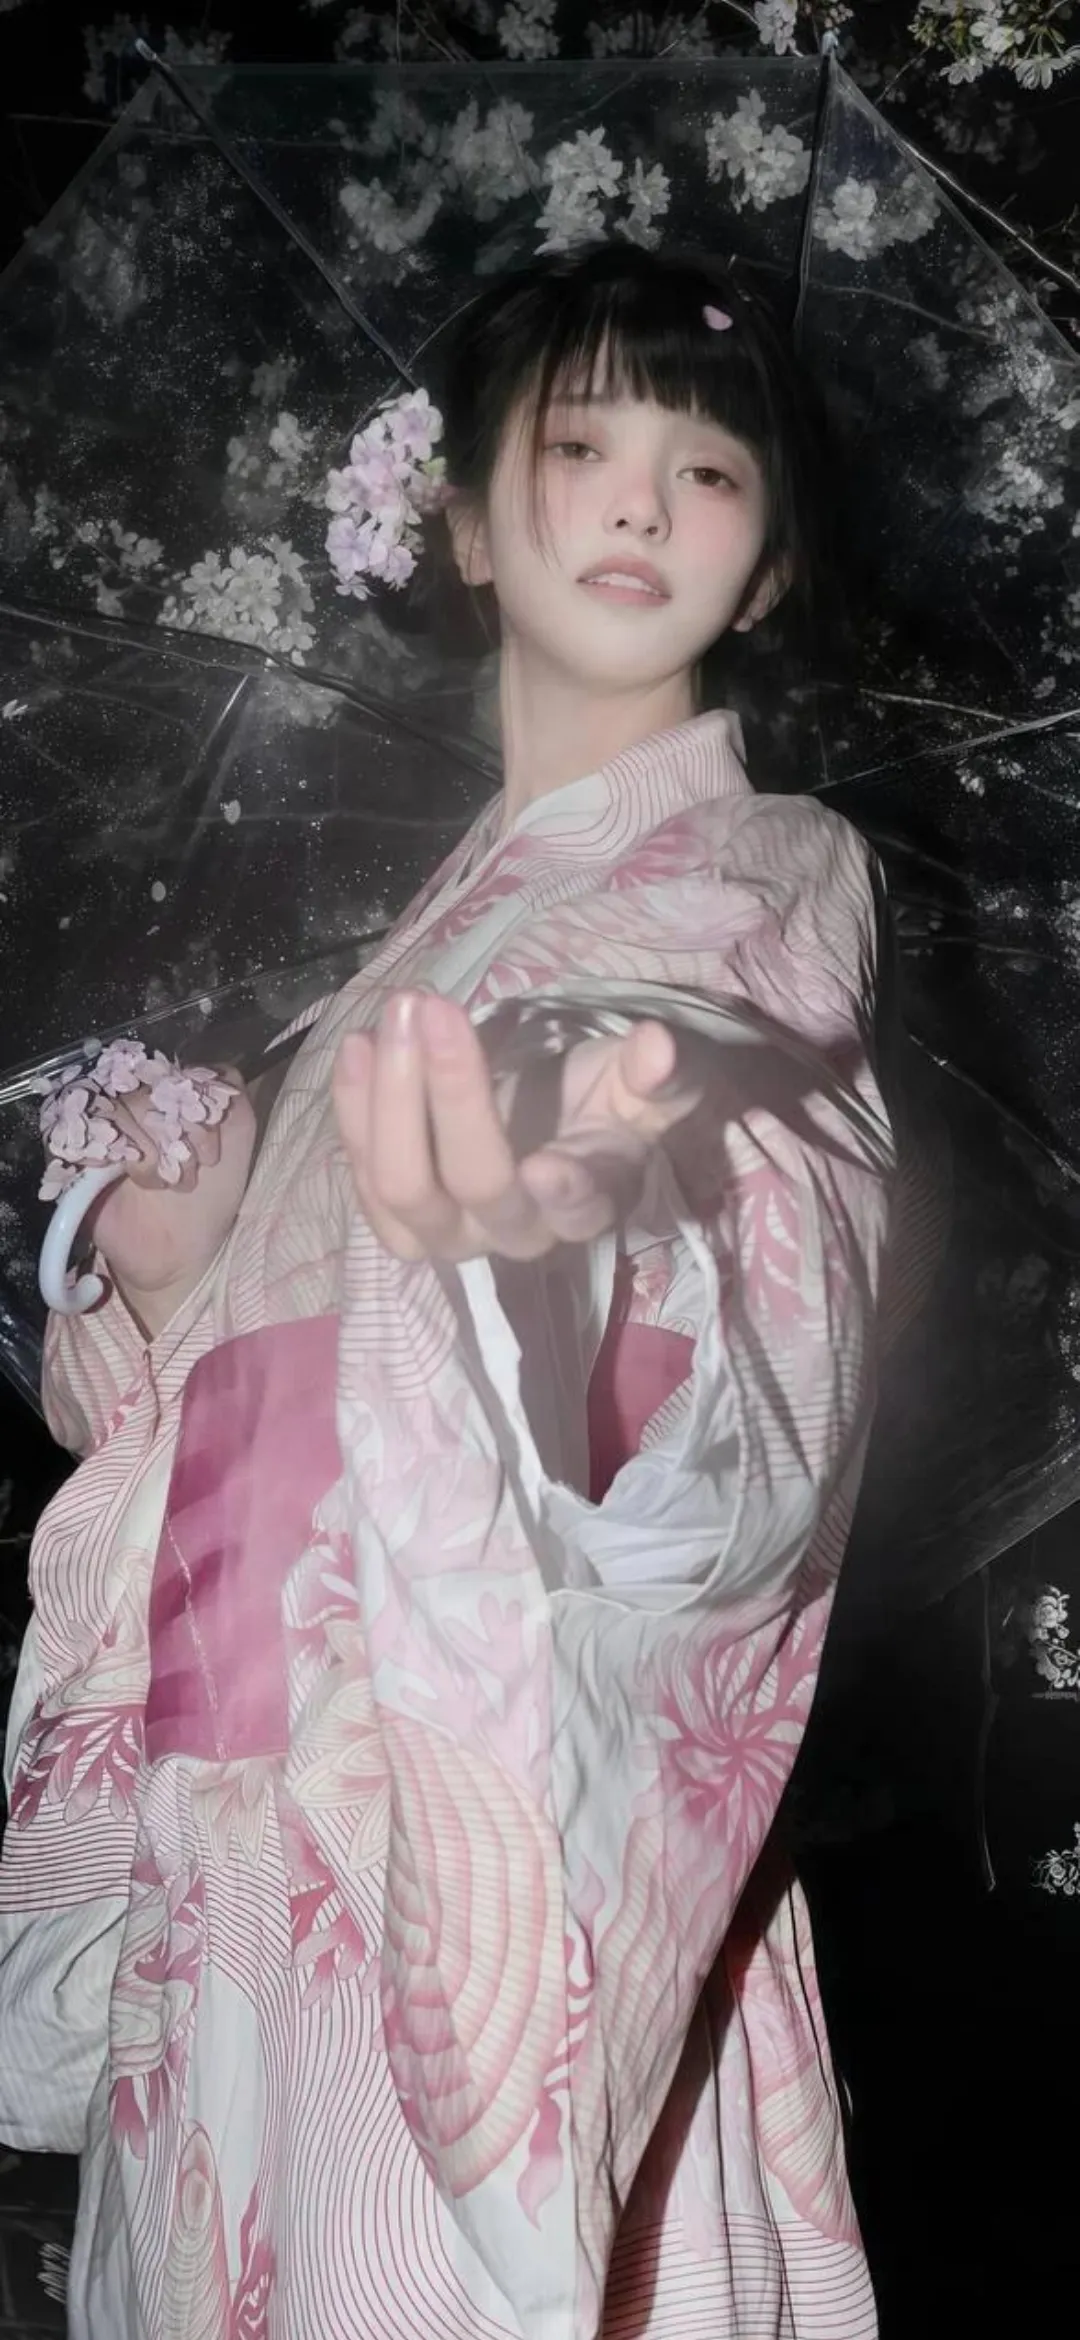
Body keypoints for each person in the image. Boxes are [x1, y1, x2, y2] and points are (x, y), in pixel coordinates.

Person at [0, 242, 896, 2338]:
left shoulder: (770, 875)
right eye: (580, 447)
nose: (643, 500)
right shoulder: (389, 960)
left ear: (765, 565)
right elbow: (228, 1427)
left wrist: (563, 1252)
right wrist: (179, 1275)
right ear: (467, 521)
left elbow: (765, 1201)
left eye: (709, 470)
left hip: (490, 1823)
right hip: (242, 1822)